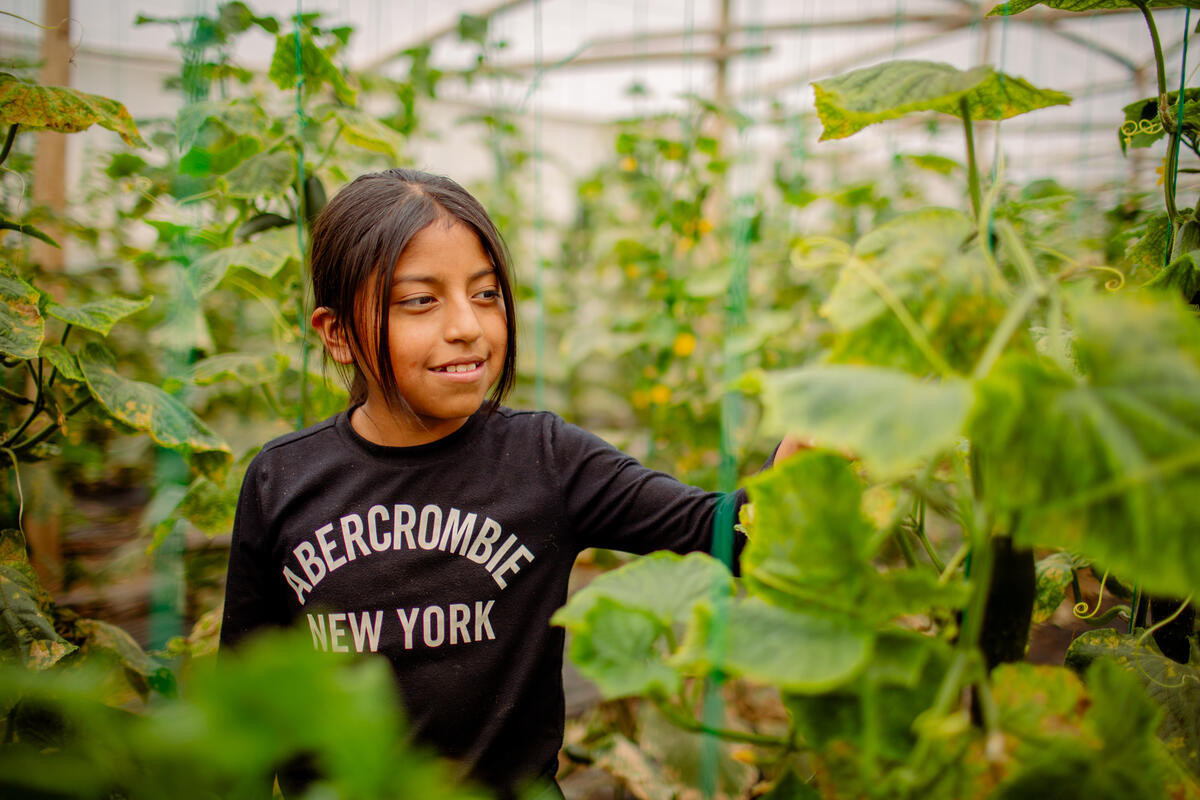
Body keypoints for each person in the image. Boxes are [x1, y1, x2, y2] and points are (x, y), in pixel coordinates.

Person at [219, 168, 804, 799]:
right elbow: (244, 710)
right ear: (336, 334)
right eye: (421, 300)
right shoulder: (281, 480)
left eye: (486, 294)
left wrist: (794, 472)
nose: (466, 326)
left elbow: (722, 532)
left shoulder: (546, 459)